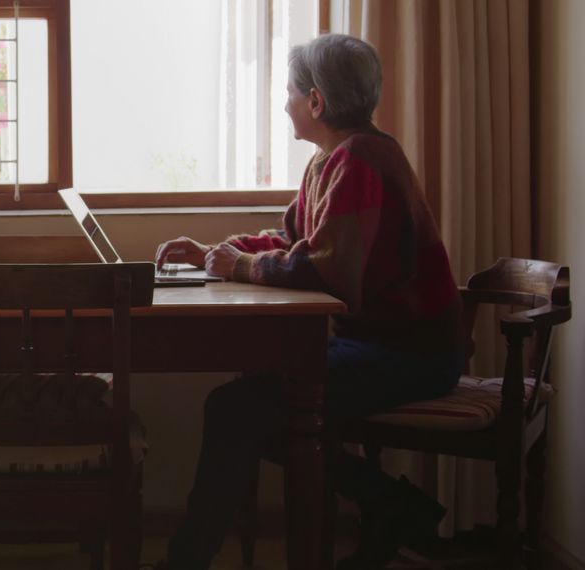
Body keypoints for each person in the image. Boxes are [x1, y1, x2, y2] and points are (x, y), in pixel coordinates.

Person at [146, 34, 467, 570]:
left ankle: (187, 560)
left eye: (290, 92)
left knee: (237, 409)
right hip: (384, 346)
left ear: (316, 101)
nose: (285, 103)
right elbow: (293, 236)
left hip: (411, 355)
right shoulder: (332, 159)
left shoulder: (361, 159)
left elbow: (329, 272)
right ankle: (392, 504)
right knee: (248, 405)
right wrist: (216, 253)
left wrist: (239, 266)